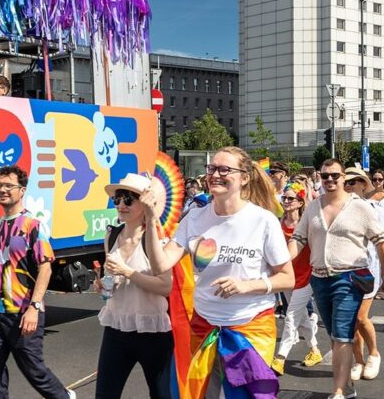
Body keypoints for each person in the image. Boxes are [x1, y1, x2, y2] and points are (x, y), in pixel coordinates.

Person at [142, 146, 294, 397]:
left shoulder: (263, 221)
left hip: (250, 328)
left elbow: (287, 278)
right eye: (211, 168)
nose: (214, 174)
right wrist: (149, 219)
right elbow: (160, 265)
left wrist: (247, 285)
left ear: (244, 178)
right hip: (204, 327)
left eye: (224, 169)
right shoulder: (194, 218)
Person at [287, 159, 384, 399]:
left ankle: (339, 391)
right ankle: (346, 385)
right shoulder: (313, 206)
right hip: (319, 279)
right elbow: (299, 239)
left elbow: (382, 242)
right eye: (324, 176)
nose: (329, 180)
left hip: (349, 278)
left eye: (334, 176)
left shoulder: (360, 207)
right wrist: (282, 261)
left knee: (342, 334)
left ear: (343, 178)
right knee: (335, 335)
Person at [0, 165, 73, 399]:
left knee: (34, 371)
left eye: (8, 186)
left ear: (21, 190)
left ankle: (63, 397)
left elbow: (45, 267)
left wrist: (34, 307)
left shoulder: (32, 226)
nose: (2, 190)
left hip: (24, 311)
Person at [95, 174, 173, 398]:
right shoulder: (112, 235)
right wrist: (103, 285)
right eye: (117, 199)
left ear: (145, 203)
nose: (121, 205)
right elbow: (112, 283)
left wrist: (128, 272)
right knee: (104, 395)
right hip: (116, 326)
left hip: (152, 331)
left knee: (161, 394)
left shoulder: (157, 241)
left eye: (129, 199)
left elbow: (165, 286)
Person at [343, 168, 384, 381]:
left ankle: (373, 353)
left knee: (361, 317)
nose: (349, 185)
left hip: (368, 270)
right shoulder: (338, 209)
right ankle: (358, 360)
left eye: (354, 181)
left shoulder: (373, 209)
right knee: (351, 321)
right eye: (346, 181)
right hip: (343, 270)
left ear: (364, 184)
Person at [271, 182, 322, 376]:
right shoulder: (277, 223)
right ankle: (315, 350)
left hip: (306, 276)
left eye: (291, 198)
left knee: (291, 315)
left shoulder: (308, 223)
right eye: (284, 198)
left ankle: (280, 357)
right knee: (300, 316)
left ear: (300, 202)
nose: (286, 201)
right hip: (285, 276)